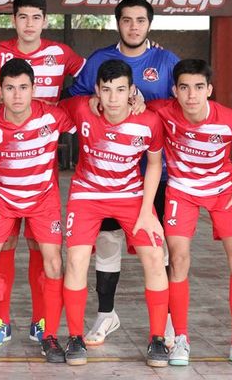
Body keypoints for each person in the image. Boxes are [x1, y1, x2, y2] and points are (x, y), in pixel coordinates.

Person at [65, 0, 179, 346]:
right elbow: (74, 98)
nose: (133, 26)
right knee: (107, 241)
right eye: (126, 20)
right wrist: (92, 100)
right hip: (102, 177)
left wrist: (149, 104)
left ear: (149, 24)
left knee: (158, 249)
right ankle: (105, 316)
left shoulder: (165, 59)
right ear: (118, 23)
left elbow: (182, 103)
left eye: (140, 20)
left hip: (150, 174)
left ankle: (167, 322)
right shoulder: (101, 59)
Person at [0, 0, 85, 345]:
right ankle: (1, 322)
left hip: (43, 147)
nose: (28, 24)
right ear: (13, 20)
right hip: (5, 148)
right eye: (22, 17)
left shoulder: (61, 54)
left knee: (44, 249)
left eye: (35, 17)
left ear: (45, 20)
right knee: (2, 245)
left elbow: (87, 80)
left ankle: (43, 322)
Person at [59, 59, 168, 367]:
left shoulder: (149, 122)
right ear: (97, 90)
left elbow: (155, 164)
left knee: (155, 256)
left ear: (132, 91)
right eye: (106, 90)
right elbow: (44, 105)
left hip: (131, 195)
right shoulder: (81, 108)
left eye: (120, 90)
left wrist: (147, 211)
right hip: (87, 194)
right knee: (77, 259)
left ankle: (158, 339)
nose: (112, 98)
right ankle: (76, 337)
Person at [0, 58, 74, 363]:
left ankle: (49, 334)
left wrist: (132, 99)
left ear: (34, 89)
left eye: (23, 88)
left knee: (53, 263)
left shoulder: (53, 117)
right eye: (10, 88)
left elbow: (95, 115)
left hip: (42, 200)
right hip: (0, 198)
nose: (17, 95)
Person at [150, 59, 232, 367]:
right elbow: (133, 106)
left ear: (209, 90)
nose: (191, 95)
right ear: (175, 90)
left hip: (223, 190)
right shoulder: (164, 111)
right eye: (184, 87)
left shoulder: (229, 119)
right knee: (179, 260)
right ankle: (180, 338)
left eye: (199, 87)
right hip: (181, 191)